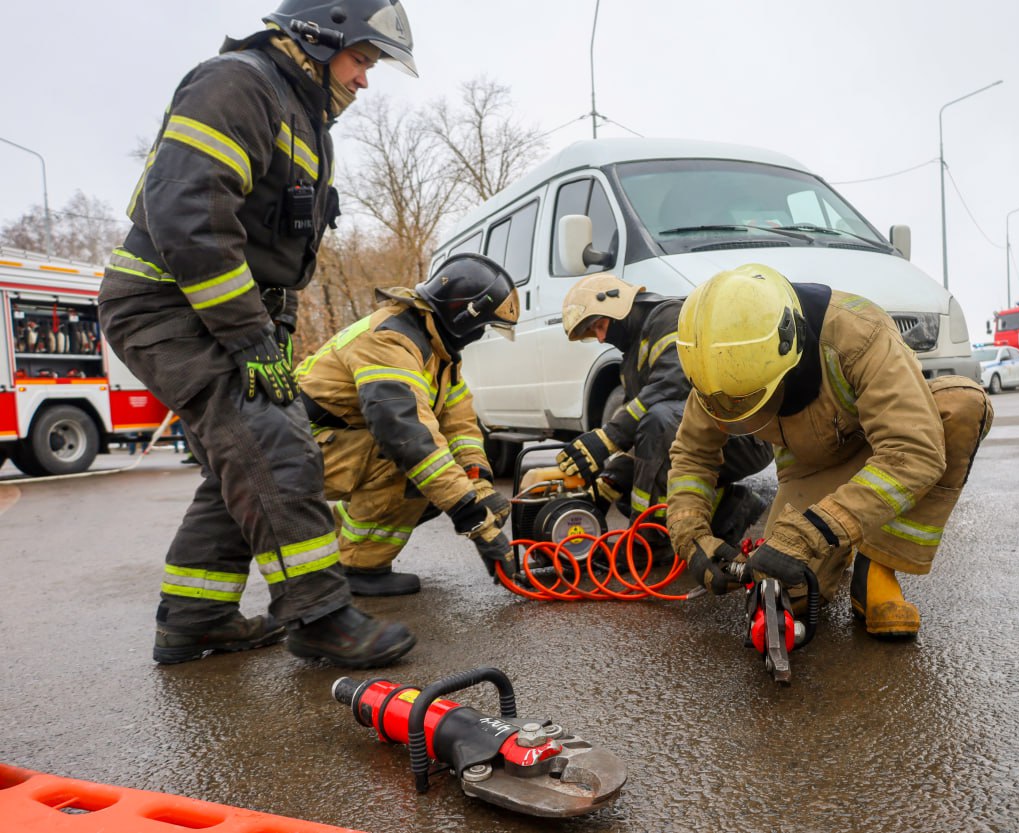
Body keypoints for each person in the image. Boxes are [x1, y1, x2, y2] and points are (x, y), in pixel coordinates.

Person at [97, 0, 419, 668]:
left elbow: (277, 254)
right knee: (276, 443)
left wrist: (272, 331)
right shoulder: (237, 83)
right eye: (362, 59)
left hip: (213, 306)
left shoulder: (304, 118)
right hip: (168, 300)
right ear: (320, 36)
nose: (365, 79)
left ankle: (196, 619)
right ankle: (319, 616)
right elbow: (189, 215)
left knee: (240, 456)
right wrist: (249, 337)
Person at [665, 264, 993, 638]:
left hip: (890, 451)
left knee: (961, 406)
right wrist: (692, 538)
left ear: (789, 347)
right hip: (813, 467)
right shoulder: (719, 366)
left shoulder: (859, 332)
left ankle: (877, 568)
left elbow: (914, 451)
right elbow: (692, 455)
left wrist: (812, 531)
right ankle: (842, 540)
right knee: (787, 588)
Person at [295, 254, 522, 596]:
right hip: (293, 447)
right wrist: (472, 517)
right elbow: (404, 435)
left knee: (444, 482)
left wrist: (479, 485)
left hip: (328, 443)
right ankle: (358, 566)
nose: (480, 335)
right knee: (411, 464)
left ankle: (337, 539)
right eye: (483, 326)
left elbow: (460, 426)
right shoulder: (391, 340)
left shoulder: (440, 355)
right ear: (463, 316)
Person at [558, 273, 773, 560]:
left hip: (745, 432)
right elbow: (640, 427)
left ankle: (650, 541)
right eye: (593, 332)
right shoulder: (632, 357)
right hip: (705, 434)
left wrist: (608, 437)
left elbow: (674, 382)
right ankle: (728, 509)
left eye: (600, 325)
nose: (600, 338)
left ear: (617, 305)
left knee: (659, 418)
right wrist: (609, 480)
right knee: (628, 488)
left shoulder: (669, 317)